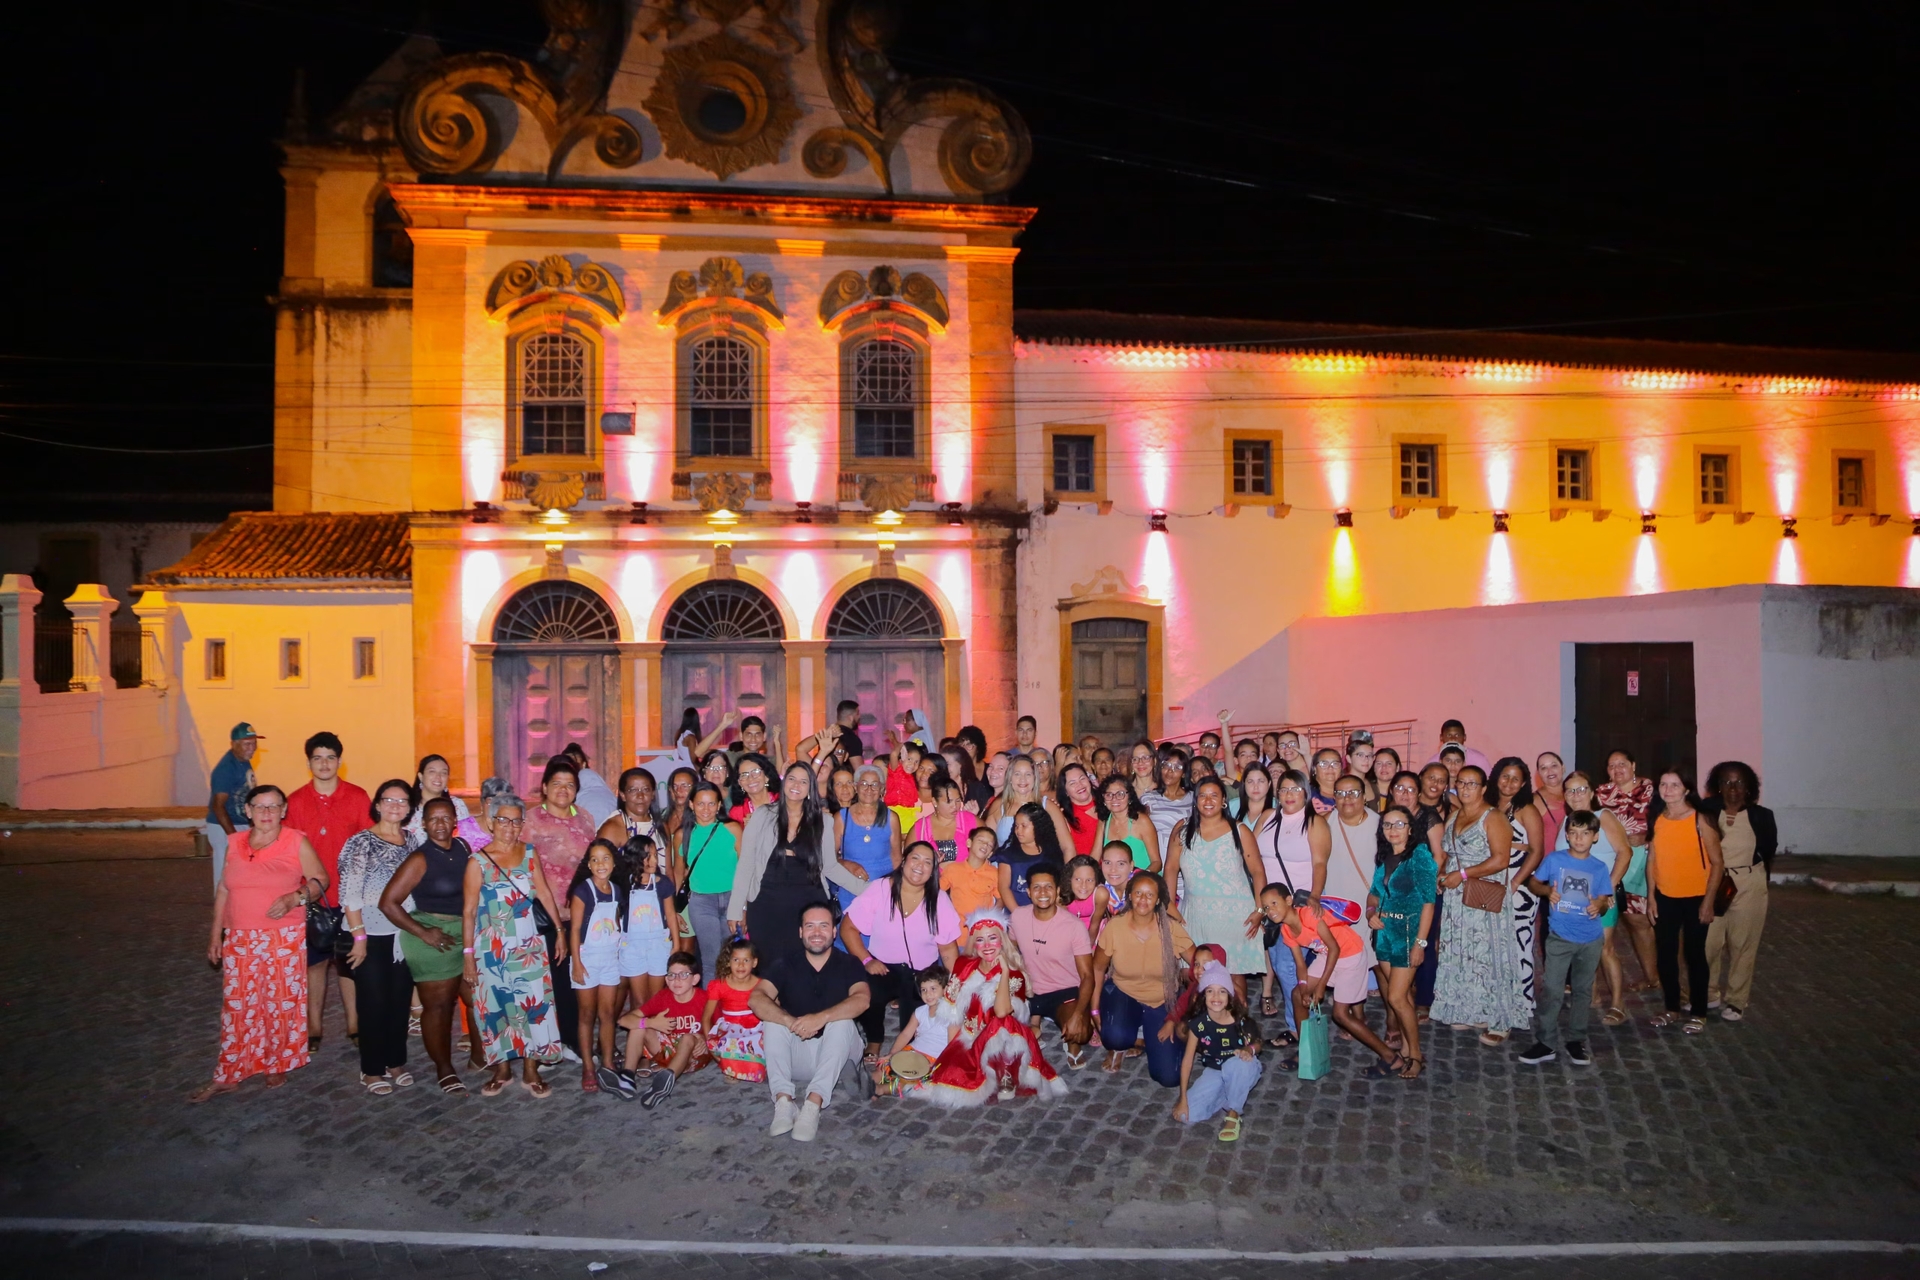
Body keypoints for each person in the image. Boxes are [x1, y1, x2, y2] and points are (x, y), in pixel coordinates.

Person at [188, 784, 327, 1102]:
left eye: (274, 806)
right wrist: (216, 934)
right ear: (247, 811)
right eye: (260, 807)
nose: (267, 813)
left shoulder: (296, 841)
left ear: (283, 811)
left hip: (283, 937)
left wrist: (296, 897)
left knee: (278, 1004)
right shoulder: (235, 842)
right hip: (240, 937)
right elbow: (224, 889)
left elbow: (321, 879)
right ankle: (229, 1073)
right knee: (238, 1008)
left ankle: (275, 1063)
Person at [913, 906, 1068, 1105]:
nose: (986, 945)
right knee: (948, 1078)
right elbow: (953, 1014)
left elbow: (1002, 1011)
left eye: (992, 938)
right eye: (980, 939)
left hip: (1003, 1041)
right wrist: (951, 1050)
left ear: (1002, 940)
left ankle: (1006, 1074)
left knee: (1002, 1022)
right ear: (974, 943)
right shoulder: (963, 966)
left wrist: (1003, 972)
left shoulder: (1014, 974)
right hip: (971, 1038)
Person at [748, 902, 875, 1141]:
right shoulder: (784, 963)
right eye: (810, 926)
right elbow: (756, 998)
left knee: (842, 1022)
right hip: (801, 1052)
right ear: (800, 931)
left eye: (824, 926)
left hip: (840, 1046)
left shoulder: (849, 963)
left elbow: (862, 1000)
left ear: (834, 931)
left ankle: (813, 1104)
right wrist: (788, 1020)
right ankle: (784, 1102)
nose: (817, 933)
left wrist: (820, 1018)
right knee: (772, 1020)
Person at [732, 763, 868, 975]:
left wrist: (869, 890)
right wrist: (736, 909)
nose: (796, 785)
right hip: (766, 905)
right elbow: (746, 864)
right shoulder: (762, 815)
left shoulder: (823, 821)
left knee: (803, 970)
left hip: (808, 905)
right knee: (768, 971)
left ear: (810, 789)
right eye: (792, 779)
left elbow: (830, 867)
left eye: (804, 781)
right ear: (784, 782)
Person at [380, 796, 475, 1094]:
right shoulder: (420, 858)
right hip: (434, 936)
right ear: (423, 824)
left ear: (455, 822)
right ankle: (444, 1068)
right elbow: (388, 903)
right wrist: (423, 932)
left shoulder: (463, 848)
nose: (440, 824)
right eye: (433, 819)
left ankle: (480, 1056)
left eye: (446, 818)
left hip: (465, 931)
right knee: (439, 1006)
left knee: (475, 998)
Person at [1429, 766, 1531, 1045]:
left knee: (1491, 956)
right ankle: (1470, 1009)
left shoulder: (1494, 817)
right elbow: (1450, 855)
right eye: (1461, 783)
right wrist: (1441, 877)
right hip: (1456, 898)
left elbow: (1500, 860)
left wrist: (1461, 875)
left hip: (1484, 896)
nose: (1465, 788)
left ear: (1484, 788)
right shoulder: (1454, 815)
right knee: (1463, 953)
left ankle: (1501, 1018)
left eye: (1472, 784)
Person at [284, 731, 371, 1054]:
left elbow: (366, 845)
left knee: (350, 964)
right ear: (309, 762)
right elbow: (289, 851)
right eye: (318, 758)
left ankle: (355, 1024)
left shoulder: (358, 797)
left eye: (330, 758)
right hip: (312, 899)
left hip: (350, 898)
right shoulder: (295, 802)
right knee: (314, 965)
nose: (324, 764)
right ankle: (314, 1027)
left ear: (340, 761)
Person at [1265, 886, 1404, 1077]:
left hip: (1350, 955)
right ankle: (1307, 1051)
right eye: (1266, 907)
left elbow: (1335, 948)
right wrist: (1305, 987)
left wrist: (1321, 986)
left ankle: (1391, 1058)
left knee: (1341, 1015)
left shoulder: (1309, 915)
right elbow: (1300, 965)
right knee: (1297, 994)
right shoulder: (1287, 930)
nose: (1270, 910)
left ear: (1288, 901)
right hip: (1327, 955)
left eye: (1274, 903)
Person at [841, 840, 962, 1058]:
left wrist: (954, 988)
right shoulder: (880, 888)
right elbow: (848, 928)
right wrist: (867, 961)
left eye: (928, 862)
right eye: (915, 858)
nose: (920, 866)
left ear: (933, 871)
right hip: (883, 967)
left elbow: (948, 951)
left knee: (916, 1032)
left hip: (922, 974)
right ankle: (874, 1040)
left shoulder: (940, 900)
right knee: (867, 993)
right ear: (904, 861)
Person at [338, 779, 420, 1095]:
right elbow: (350, 893)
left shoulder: (412, 842)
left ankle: (396, 1060)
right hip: (369, 933)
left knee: (400, 1000)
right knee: (373, 1002)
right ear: (377, 804)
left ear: (410, 808)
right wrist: (359, 937)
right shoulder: (361, 843)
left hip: (403, 933)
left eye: (402, 801)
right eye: (389, 800)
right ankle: (372, 1069)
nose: (395, 806)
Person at [1517, 810, 1615, 1067]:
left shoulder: (1599, 867)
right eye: (1573, 833)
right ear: (1567, 835)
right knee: (1551, 989)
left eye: (1585, 833)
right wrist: (1547, 891)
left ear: (1594, 837)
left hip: (1590, 938)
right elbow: (1534, 883)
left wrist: (1599, 906)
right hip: (1560, 936)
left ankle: (1576, 1039)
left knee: (1583, 990)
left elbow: (1604, 900)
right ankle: (1546, 1041)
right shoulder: (1554, 860)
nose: (1579, 838)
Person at [1164, 778, 1265, 997]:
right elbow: (1170, 868)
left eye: (1214, 796)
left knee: (1233, 977)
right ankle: (1201, 1028)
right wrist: (1170, 908)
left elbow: (1257, 871)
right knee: (1192, 974)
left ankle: (1236, 1026)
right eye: (1202, 795)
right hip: (1196, 915)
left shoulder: (1239, 831)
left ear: (1224, 801)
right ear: (1195, 800)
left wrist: (1259, 910)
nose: (1208, 801)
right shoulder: (1182, 830)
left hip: (1235, 917)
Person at [1092, 871, 1196, 1084]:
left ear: (1158, 900)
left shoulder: (1171, 928)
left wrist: (1178, 1017)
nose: (1143, 899)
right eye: (1138, 893)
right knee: (1115, 1037)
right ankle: (1127, 1037)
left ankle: (1149, 1034)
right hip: (1124, 992)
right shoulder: (1115, 927)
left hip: (1162, 999)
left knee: (1169, 1077)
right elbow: (1098, 968)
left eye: (1150, 895)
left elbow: (1201, 965)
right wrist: (1094, 1009)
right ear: (1129, 896)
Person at [1647, 769, 1724, 1034]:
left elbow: (1717, 863)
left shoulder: (1700, 819)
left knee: (1694, 954)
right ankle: (1672, 1007)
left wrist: (1709, 902)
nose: (1667, 790)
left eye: (1674, 785)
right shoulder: (1658, 818)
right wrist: (1650, 897)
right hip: (1665, 896)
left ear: (1687, 789)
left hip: (1696, 897)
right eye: (1663, 784)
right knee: (1665, 955)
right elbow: (1652, 861)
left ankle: (1699, 1011)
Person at [1254, 769, 1329, 1038]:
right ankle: (1298, 1021)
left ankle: (1298, 1026)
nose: (1289, 795)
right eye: (1284, 789)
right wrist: (1259, 906)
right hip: (1271, 907)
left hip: (1297, 907)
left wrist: (1315, 896)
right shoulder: (1267, 817)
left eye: (1295, 789)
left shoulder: (1314, 823)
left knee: (1287, 966)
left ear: (1306, 793)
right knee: (1278, 961)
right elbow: (1253, 859)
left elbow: (1320, 863)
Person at [1557, 772, 1634, 1027]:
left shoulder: (1603, 817)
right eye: (1569, 790)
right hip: (1573, 899)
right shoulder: (1567, 822)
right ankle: (1592, 995)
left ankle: (1618, 1003)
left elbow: (1625, 851)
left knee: (1605, 948)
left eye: (1581, 790)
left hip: (1602, 897)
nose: (1575, 795)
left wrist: (1608, 888)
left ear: (1591, 793)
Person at [1701, 761, 1775, 1022]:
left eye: (1739, 782)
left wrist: (1758, 882)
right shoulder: (1706, 810)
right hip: (1714, 883)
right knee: (1708, 943)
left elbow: (1768, 852)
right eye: (1726, 782)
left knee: (1742, 944)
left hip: (1747, 883)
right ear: (1717, 787)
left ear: (1749, 787)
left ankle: (1736, 1000)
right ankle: (1709, 993)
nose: (1733, 788)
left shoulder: (1762, 816)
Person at [1366, 804, 1436, 1079]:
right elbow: (1373, 893)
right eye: (1387, 825)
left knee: (1396, 996)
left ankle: (1416, 1055)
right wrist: (1371, 912)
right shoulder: (1384, 858)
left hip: (1408, 934)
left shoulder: (1420, 857)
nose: (1392, 830)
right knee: (1402, 996)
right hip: (1384, 934)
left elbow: (1429, 903)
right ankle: (1407, 1048)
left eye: (1398, 824)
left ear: (1410, 829)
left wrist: (1421, 944)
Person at [1009, 862, 1098, 1069]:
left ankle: (1072, 1044)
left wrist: (1077, 1015)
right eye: (1037, 887)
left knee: (1081, 1032)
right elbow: (1009, 950)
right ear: (1029, 892)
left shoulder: (1073, 926)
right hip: (1030, 991)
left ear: (1057, 890)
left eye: (1048, 887)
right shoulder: (1018, 917)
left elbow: (1087, 976)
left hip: (1063, 992)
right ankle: (1034, 1024)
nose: (1043, 892)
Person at [1173, 961, 1263, 1141]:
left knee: (1238, 1065)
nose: (1216, 996)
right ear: (1203, 996)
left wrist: (1249, 1049)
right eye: (1210, 991)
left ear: (1229, 996)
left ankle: (1234, 1113)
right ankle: (1230, 1092)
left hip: (1241, 1067)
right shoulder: (1198, 1023)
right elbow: (1187, 1061)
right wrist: (1182, 1098)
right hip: (1215, 1070)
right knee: (1186, 1115)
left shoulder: (1239, 1020)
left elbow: (1258, 1043)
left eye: (1222, 991)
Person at [567, 837, 629, 1093]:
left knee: (607, 1014)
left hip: (609, 960)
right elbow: (575, 929)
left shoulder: (616, 891)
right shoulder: (583, 891)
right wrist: (577, 964)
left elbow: (615, 924)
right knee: (586, 1015)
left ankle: (606, 1061)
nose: (601, 864)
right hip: (587, 958)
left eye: (606, 859)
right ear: (589, 865)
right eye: (595, 860)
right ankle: (588, 1067)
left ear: (614, 863)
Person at [1596, 748, 1660, 994]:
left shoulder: (1651, 790)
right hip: (1614, 862)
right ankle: (1651, 976)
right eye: (1611, 766)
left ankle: (1659, 976)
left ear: (1633, 765)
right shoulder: (1601, 793)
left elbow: (1664, 819)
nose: (1617, 769)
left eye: (1622, 764)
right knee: (1633, 921)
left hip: (1645, 862)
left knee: (1646, 921)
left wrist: (1647, 835)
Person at [1489, 757, 1547, 1017]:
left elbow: (1536, 851)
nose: (1509, 782)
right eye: (1505, 776)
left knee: (1519, 943)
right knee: (1493, 943)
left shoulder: (1527, 809)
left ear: (1523, 783)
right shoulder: (1489, 805)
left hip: (1519, 885)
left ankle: (1522, 1003)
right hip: (1492, 881)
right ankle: (1498, 997)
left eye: (1515, 778)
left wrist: (1514, 883)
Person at [622, 951, 711, 1108]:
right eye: (671, 975)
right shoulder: (663, 996)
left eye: (683, 975)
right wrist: (650, 1022)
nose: (676, 980)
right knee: (639, 1026)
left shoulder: (704, 999)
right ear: (666, 979)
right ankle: (627, 1077)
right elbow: (624, 1020)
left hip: (694, 1055)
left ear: (695, 979)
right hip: (667, 1052)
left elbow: (723, 1025)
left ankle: (666, 1080)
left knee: (688, 1038)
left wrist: (705, 1038)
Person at [679, 783, 743, 983]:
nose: (706, 809)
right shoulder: (683, 834)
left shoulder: (732, 829)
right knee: (710, 961)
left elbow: (745, 869)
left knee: (734, 958)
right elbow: (678, 873)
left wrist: (743, 906)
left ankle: (733, 1009)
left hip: (732, 898)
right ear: (691, 804)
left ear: (719, 806)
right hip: (701, 902)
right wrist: (674, 910)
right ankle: (713, 1014)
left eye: (711, 804)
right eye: (700, 804)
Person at [1324, 773, 1382, 978]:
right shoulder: (1324, 823)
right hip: (1338, 908)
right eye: (1341, 793)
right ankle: (1349, 1010)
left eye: (1354, 793)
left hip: (1371, 905)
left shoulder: (1381, 826)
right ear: (1334, 797)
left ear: (1364, 796)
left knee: (1380, 967)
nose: (1347, 798)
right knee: (1346, 965)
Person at [617, 832, 679, 1010]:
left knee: (656, 999)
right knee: (639, 1001)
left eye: (655, 855)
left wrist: (676, 943)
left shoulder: (663, 883)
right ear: (635, 858)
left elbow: (671, 913)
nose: (653, 860)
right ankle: (641, 1036)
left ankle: (653, 1037)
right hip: (632, 946)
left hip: (659, 944)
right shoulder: (623, 884)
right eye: (647, 856)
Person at [877, 967, 959, 1093]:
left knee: (909, 1080)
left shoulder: (951, 1016)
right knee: (885, 1066)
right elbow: (905, 1034)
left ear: (945, 989)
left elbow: (952, 1046)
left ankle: (880, 1090)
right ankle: (866, 1081)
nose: (928, 994)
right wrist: (892, 1054)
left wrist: (939, 1065)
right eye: (923, 990)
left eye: (933, 989)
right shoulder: (920, 1012)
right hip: (913, 1051)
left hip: (933, 1059)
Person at [836, 764, 902, 908]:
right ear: (856, 787)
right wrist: (848, 864)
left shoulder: (891, 818)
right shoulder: (842, 818)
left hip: (884, 892)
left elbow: (897, 858)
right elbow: (828, 858)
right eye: (864, 784)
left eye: (874, 785)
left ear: (882, 789)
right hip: (851, 890)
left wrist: (899, 891)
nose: (869, 789)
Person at [702, 938, 766, 1085]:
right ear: (728, 962)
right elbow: (706, 1018)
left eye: (746, 960)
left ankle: (753, 1064)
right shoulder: (719, 985)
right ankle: (732, 1067)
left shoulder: (761, 985)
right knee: (729, 1042)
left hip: (755, 1029)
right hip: (730, 1031)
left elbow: (774, 1010)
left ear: (754, 963)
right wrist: (710, 1045)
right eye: (736, 959)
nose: (740, 965)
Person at [204, 722, 260, 888]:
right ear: (234, 744)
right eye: (247, 744)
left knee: (242, 870)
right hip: (224, 825)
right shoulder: (226, 769)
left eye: (254, 742)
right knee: (225, 871)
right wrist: (233, 836)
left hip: (239, 823)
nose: (253, 748)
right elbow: (218, 806)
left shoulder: (243, 761)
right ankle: (222, 910)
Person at [996, 801, 1067, 908]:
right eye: (1016, 826)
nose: (1018, 830)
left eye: (1024, 826)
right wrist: (1017, 913)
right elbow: (1004, 887)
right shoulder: (1008, 855)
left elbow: (1057, 886)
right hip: (1017, 914)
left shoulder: (1051, 854)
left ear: (1038, 826)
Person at [1139, 747, 1193, 869]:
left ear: (1184, 773)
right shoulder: (1148, 798)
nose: (1169, 771)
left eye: (1177, 767)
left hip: (1185, 863)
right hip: (1157, 864)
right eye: (1166, 765)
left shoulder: (1193, 798)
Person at [1096, 774, 1159, 871]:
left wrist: (1138, 879)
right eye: (1109, 795)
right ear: (1104, 799)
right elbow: (1095, 857)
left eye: (1120, 794)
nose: (1114, 799)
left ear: (1129, 797)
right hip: (1116, 881)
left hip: (1145, 880)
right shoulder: (1104, 822)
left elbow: (1157, 862)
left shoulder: (1141, 821)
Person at [911, 776, 979, 863]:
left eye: (958, 800)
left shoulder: (970, 820)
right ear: (935, 802)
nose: (955, 806)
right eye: (948, 801)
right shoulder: (921, 828)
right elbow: (909, 861)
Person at [946, 824, 1004, 923]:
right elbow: (936, 892)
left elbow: (1001, 899)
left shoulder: (994, 873)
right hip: (957, 929)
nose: (985, 845)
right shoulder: (953, 869)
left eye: (989, 845)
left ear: (990, 854)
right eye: (981, 841)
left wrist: (991, 918)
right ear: (969, 843)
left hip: (982, 929)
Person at [405, 754, 471, 839]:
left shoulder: (457, 805)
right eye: (432, 771)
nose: (438, 777)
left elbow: (467, 838)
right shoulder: (407, 806)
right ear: (421, 776)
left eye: (443, 773)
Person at [597, 766, 660, 849]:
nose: (640, 796)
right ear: (623, 795)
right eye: (633, 790)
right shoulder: (611, 829)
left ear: (653, 794)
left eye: (646, 790)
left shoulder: (661, 827)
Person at [1055, 762, 1102, 858]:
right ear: (1066, 792)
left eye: (1082, 779)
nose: (1080, 785)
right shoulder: (1064, 817)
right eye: (1072, 783)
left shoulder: (1108, 803)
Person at [1533, 752, 1568, 853]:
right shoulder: (1535, 800)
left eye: (1554, 765)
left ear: (1563, 768)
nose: (1550, 771)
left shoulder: (1575, 794)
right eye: (1543, 768)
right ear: (1539, 773)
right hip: (1548, 863)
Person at [730, 751, 778, 823]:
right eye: (744, 775)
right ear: (739, 782)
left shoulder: (783, 801)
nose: (750, 778)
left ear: (766, 776)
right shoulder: (736, 812)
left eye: (755, 772)